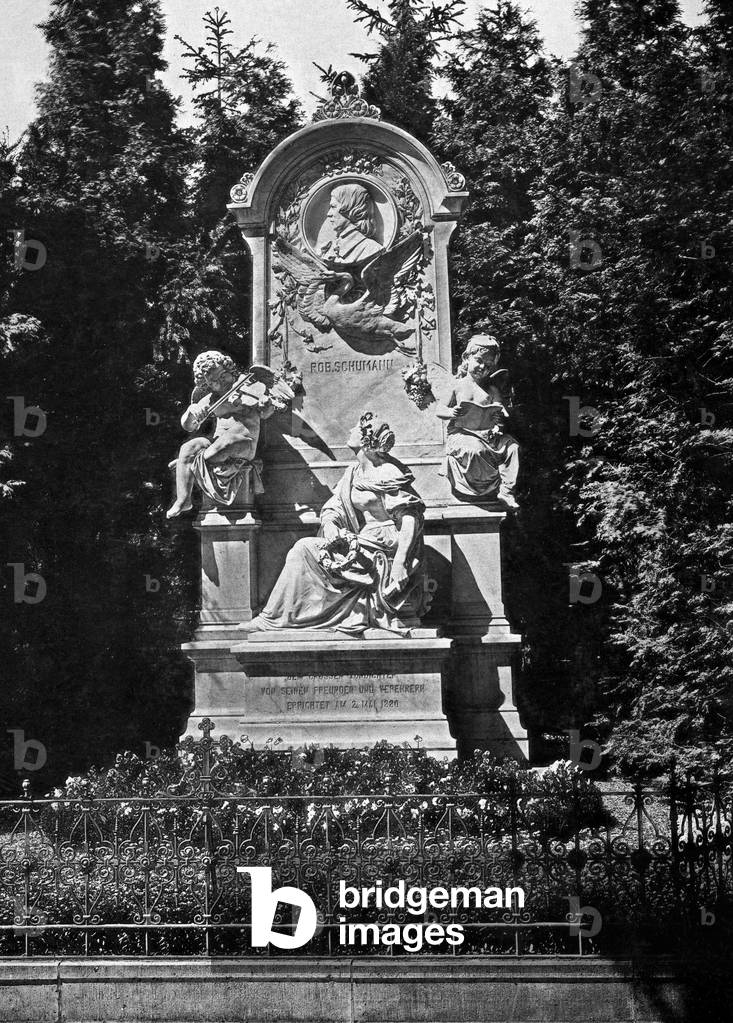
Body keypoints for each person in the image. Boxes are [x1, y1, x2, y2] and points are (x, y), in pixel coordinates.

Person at [240, 412, 426, 636]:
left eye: (356, 428)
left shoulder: (387, 472)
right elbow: (333, 507)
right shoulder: (354, 472)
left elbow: (409, 518)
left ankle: (275, 618)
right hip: (362, 540)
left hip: (384, 544)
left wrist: (400, 562)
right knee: (305, 549)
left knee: (304, 548)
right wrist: (331, 527)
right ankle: (277, 617)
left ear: (366, 440)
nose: (349, 431)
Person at [166, 350, 274, 518]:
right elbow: (188, 426)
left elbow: (267, 412)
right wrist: (192, 411)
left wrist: (265, 404)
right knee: (190, 446)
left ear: (229, 369)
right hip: (217, 444)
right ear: (207, 384)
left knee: (228, 440)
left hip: (243, 441)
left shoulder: (249, 386)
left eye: (223, 375)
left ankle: (188, 465)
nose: (221, 382)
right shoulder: (211, 399)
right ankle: (183, 500)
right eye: (214, 381)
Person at [435, 334, 519, 508]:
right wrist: (452, 412)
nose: (483, 367)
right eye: (479, 361)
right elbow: (439, 409)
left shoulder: (492, 390)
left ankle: (506, 492)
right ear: (467, 358)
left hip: (487, 436)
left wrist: (497, 424)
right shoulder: (456, 385)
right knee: (474, 449)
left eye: (488, 365)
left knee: (512, 447)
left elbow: (498, 417)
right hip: (462, 434)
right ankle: (475, 489)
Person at [315, 183, 383, 266]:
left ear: (351, 209)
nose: (328, 214)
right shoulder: (328, 248)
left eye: (333, 207)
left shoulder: (372, 249)